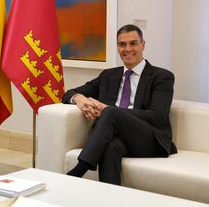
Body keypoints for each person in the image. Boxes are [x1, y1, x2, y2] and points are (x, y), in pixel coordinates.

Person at [63, 24, 177, 185]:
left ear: (143, 45)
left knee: (111, 112)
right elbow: (69, 93)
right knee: (111, 147)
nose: (127, 49)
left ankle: (79, 170)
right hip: (117, 138)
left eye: (133, 43)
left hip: (150, 138)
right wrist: (80, 99)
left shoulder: (162, 77)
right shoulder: (109, 75)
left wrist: (108, 110)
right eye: (122, 44)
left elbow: (157, 117)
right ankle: (111, 199)